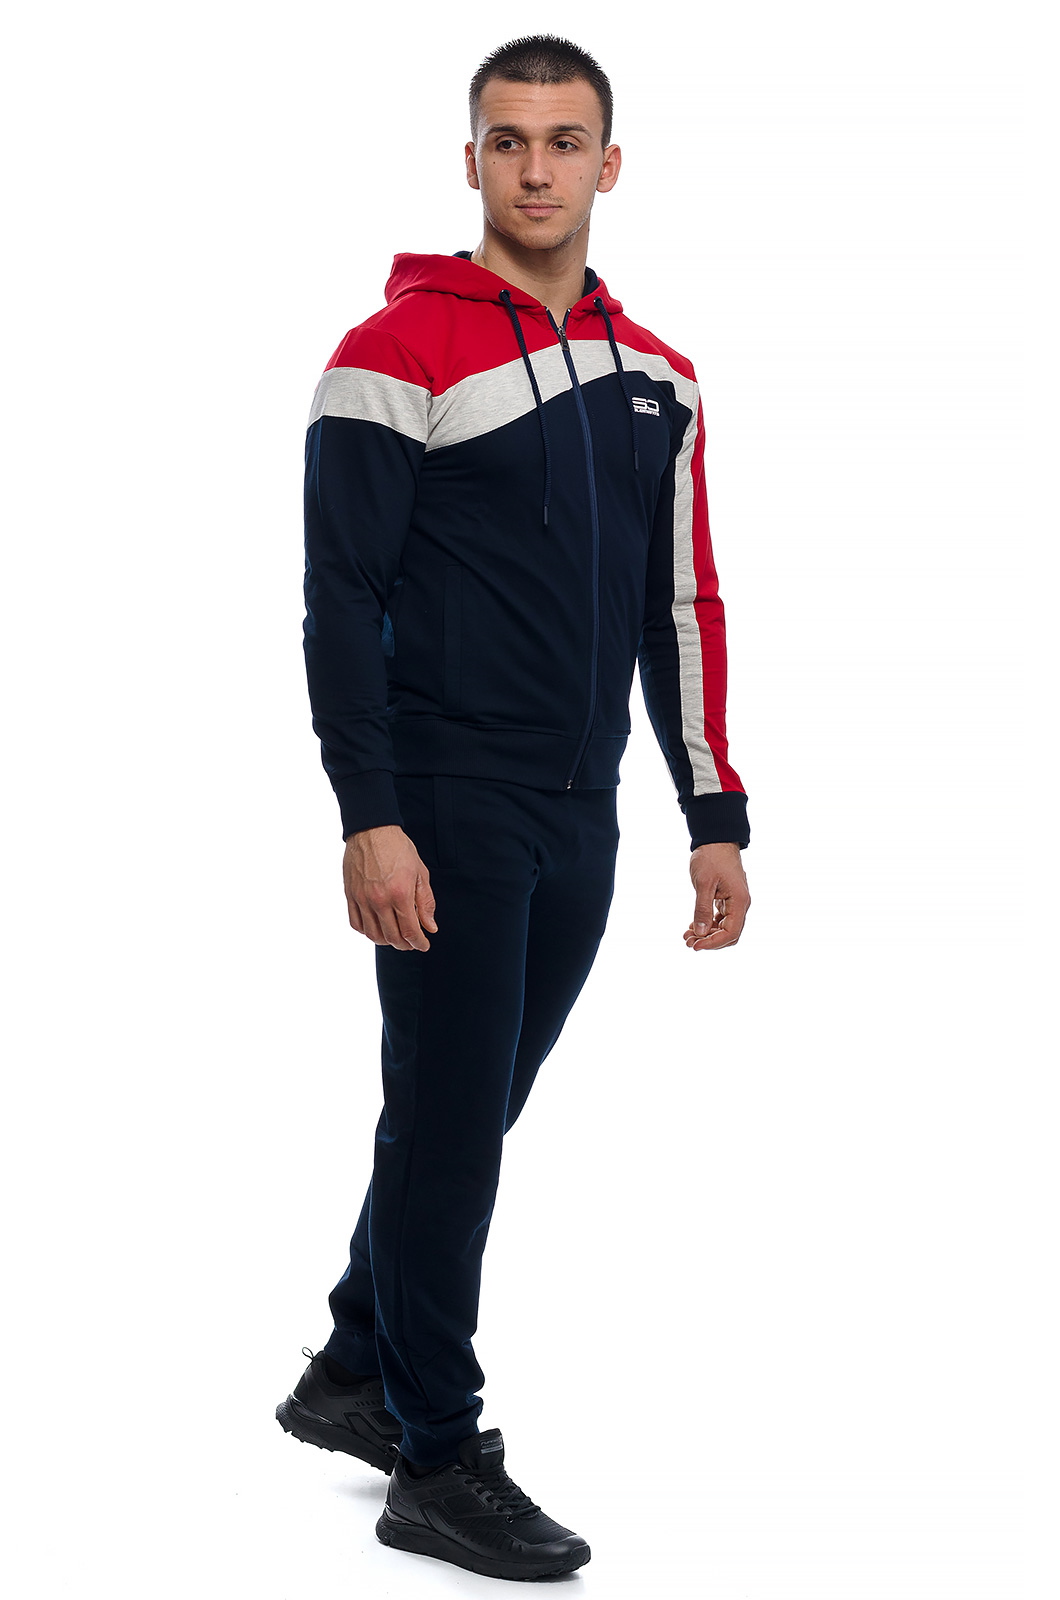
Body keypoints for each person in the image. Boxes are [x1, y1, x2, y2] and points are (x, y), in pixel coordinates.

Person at [275, 32, 752, 1582]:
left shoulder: (659, 377)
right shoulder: (393, 351)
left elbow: (680, 605)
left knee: (462, 1115)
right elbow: (341, 599)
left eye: (562, 142)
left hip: (581, 813)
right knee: (450, 1127)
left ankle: (356, 1364)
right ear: (470, 159)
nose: (535, 169)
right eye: (507, 140)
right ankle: (436, 1455)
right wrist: (371, 813)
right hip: (446, 802)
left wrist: (713, 809)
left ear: (608, 164)